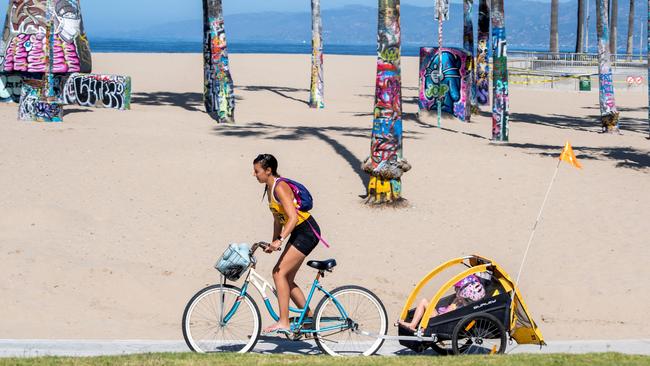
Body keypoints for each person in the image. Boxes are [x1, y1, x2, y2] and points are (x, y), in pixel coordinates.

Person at [253, 154, 322, 334]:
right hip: (297, 232)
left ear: (268, 171)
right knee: (286, 279)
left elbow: (292, 218)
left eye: (257, 171)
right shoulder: (269, 189)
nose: (254, 174)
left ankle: (284, 321)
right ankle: (309, 318)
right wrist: (273, 241)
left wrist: (281, 240)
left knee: (278, 273)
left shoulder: (280, 187)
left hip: (306, 231)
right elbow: (278, 220)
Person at [398, 274, 486, 331]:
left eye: (458, 290)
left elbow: (445, 316)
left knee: (424, 301)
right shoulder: (463, 305)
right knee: (427, 303)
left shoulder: (457, 305)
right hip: (442, 321)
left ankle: (413, 325)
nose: (456, 292)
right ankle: (415, 324)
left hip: (439, 322)